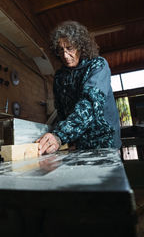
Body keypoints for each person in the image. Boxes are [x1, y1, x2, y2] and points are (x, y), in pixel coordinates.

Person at [36, 20, 121, 155]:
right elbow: (62, 112)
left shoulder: (98, 65)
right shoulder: (59, 77)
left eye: (69, 48)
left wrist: (60, 136)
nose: (65, 55)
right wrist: (68, 140)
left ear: (81, 46)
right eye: (60, 50)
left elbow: (90, 105)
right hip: (78, 144)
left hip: (104, 142)